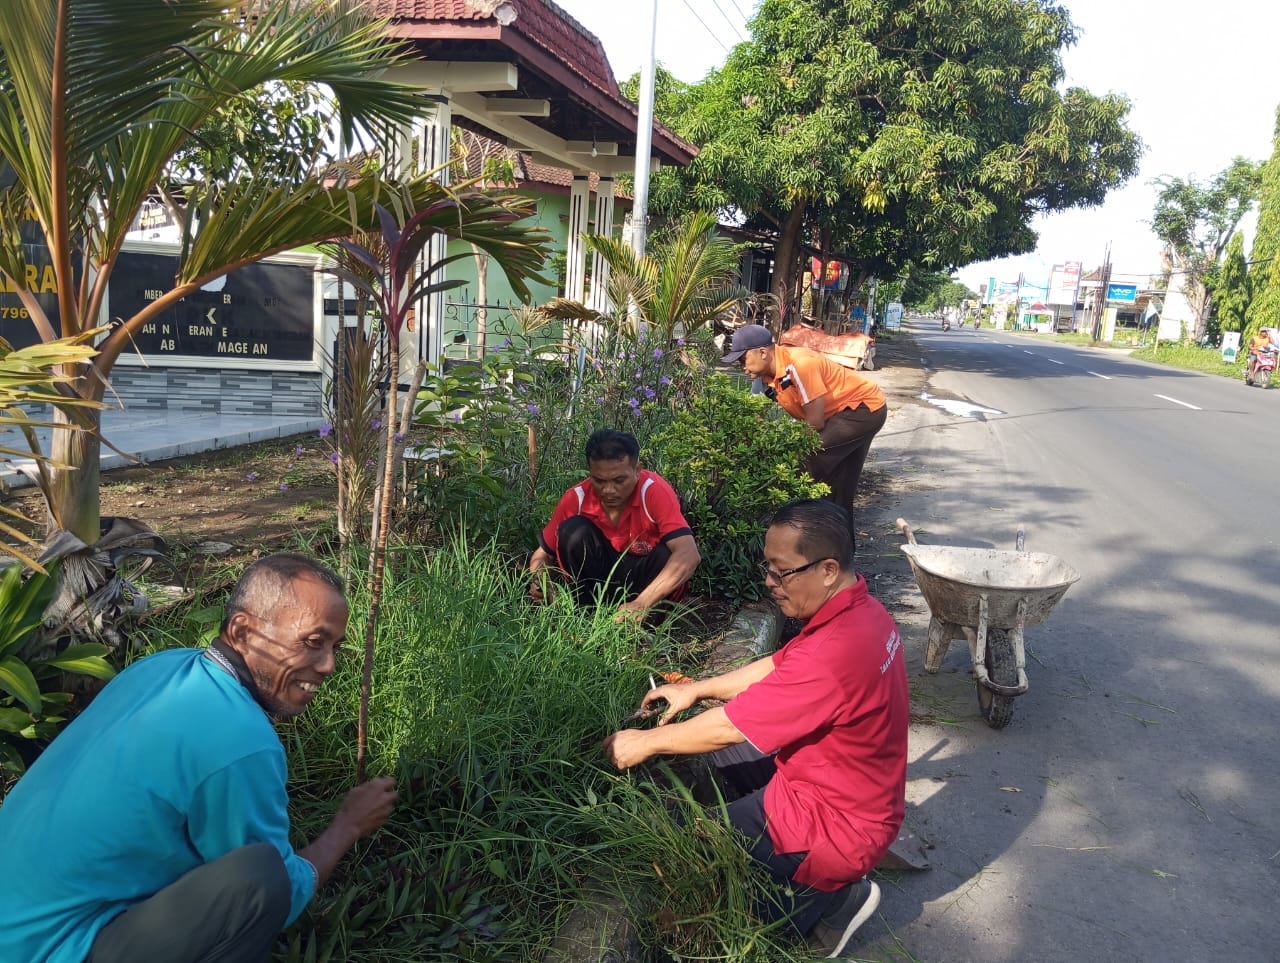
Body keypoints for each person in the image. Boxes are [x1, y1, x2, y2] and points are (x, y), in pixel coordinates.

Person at [0, 554, 398, 963]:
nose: (330, 665)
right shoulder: (240, 740)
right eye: (313, 642)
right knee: (260, 879)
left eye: (336, 646)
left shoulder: (160, 667)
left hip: (14, 922)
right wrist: (346, 827)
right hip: (53, 951)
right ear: (243, 631)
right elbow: (284, 892)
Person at [603, 499, 908, 957]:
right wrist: (697, 689)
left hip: (832, 826)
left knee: (691, 864)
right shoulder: (859, 610)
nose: (769, 582)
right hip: (836, 786)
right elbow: (777, 663)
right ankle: (782, 867)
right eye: (768, 567)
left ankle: (833, 899)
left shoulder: (837, 654)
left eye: (781, 571)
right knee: (713, 766)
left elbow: (732, 727)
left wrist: (644, 742)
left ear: (827, 570)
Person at [722, 324, 888, 527]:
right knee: (838, 490)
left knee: (802, 462)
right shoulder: (770, 376)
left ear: (763, 352)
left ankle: (785, 527)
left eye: (742, 360)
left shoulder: (799, 365)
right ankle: (835, 553)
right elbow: (759, 415)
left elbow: (815, 423)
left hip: (861, 410)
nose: (742, 367)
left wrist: (781, 452)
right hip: (844, 413)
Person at [529, 428, 701, 622]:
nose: (608, 490)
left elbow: (689, 554)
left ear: (637, 470)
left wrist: (642, 603)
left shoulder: (653, 491)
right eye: (599, 480)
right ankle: (587, 616)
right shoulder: (577, 498)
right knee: (572, 531)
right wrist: (544, 583)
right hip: (599, 582)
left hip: (645, 584)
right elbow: (541, 556)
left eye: (619, 480)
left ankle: (649, 624)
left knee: (669, 553)